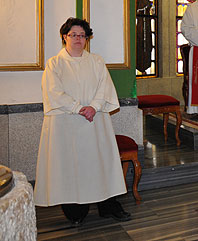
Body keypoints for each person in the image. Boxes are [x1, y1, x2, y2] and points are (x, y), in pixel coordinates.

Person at [34, 18, 130, 226]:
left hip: (94, 122)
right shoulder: (54, 64)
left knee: (100, 163)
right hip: (66, 124)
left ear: (87, 39)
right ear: (64, 37)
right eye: (73, 35)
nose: (78, 39)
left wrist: (93, 107)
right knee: (70, 167)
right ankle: (75, 210)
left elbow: (104, 87)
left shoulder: (96, 61)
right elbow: (54, 92)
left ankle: (108, 206)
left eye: (82, 35)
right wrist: (78, 108)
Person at [135, 0, 153, 74]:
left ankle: (144, 66)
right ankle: (141, 66)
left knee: (146, 42)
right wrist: (148, 6)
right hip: (142, 21)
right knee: (142, 41)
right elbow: (140, 6)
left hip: (146, 20)